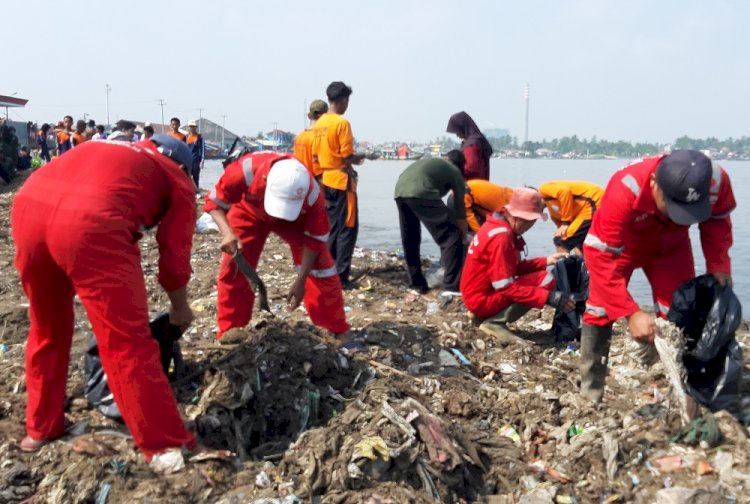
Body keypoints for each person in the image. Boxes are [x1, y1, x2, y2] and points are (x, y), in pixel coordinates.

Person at [11, 134, 199, 459]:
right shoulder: (176, 176)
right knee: (126, 343)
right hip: (91, 223)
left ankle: (41, 429)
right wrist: (180, 308)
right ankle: (167, 445)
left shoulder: (101, 145)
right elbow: (174, 260)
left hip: (28, 209)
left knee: (46, 330)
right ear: (184, 165)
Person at [580, 150, 736, 402]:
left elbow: (717, 221)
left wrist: (719, 264)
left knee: (679, 311)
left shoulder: (716, 180)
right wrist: (629, 312)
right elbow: (599, 255)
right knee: (599, 309)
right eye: (674, 206)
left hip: (671, 248)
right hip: (623, 248)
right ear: (654, 183)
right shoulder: (625, 187)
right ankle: (591, 392)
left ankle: (673, 384)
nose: (679, 214)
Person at [204, 150, 350, 341]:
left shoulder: (314, 194)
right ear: (265, 181)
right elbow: (215, 202)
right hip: (249, 209)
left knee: (321, 268)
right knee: (234, 267)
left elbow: (315, 240)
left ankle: (334, 329)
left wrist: (301, 281)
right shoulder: (244, 170)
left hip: (295, 219)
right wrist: (227, 232)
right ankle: (231, 331)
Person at [460, 187, 574, 341]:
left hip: (475, 294)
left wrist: (545, 261)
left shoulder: (495, 225)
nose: (531, 225)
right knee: (545, 280)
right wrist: (547, 297)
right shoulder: (502, 237)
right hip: (481, 299)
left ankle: (482, 315)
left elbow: (511, 268)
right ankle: (495, 322)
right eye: (533, 221)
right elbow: (505, 286)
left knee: (538, 280)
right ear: (523, 218)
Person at [312, 81, 372, 285]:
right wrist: (362, 157)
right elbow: (346, 156)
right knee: (348, 227)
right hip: (341, 181)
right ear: (343, 100)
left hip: (326, 179)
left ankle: (327, 270)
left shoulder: (318, 124)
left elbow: (315, 156)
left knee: (332, 228)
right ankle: (340, 276)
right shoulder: (341, 123)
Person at [394, 151, 468, 295]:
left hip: (400, 191)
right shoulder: (455, 172)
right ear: (461, 166)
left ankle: (417, 284)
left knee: (411, 238)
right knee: (452, 236)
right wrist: (463, 234)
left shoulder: (435, 164)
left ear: (446, 158)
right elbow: (460, 209)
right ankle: (451, 287)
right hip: (421, 191)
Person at [538, 180, 604, 254]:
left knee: (561, 242)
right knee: (577, 242)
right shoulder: (552, 210)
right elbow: (562, 229)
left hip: (593, 200)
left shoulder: (543, 189)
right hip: (585, 209)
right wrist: (562, 229)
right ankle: (580, 264)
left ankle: (565, 264)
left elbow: (564, 192)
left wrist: (565, 223)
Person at [446, 111, 493, 181]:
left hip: (472, 186)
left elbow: (470, 168)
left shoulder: (471, 146)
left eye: (457, 131)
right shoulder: (478, 141)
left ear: (462, 128)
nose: (457, 135)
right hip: (481, 184)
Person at [294, 100, 328, 179]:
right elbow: (317, 166)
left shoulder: (299, 136)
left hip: (300, 181)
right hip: (314, 182)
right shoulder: (318, 137)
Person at [186, 119, 204, 188]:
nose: (192, 128)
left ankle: (196, 191)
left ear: (196, 127)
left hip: (196, 160)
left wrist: (202, 161)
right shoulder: (186, 137)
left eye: (193, 126)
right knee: (187, 176)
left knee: (196, 176)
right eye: (190, 126)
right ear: (188, 127)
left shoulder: (199, 137)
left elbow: (202, 149)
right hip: (187, 160)